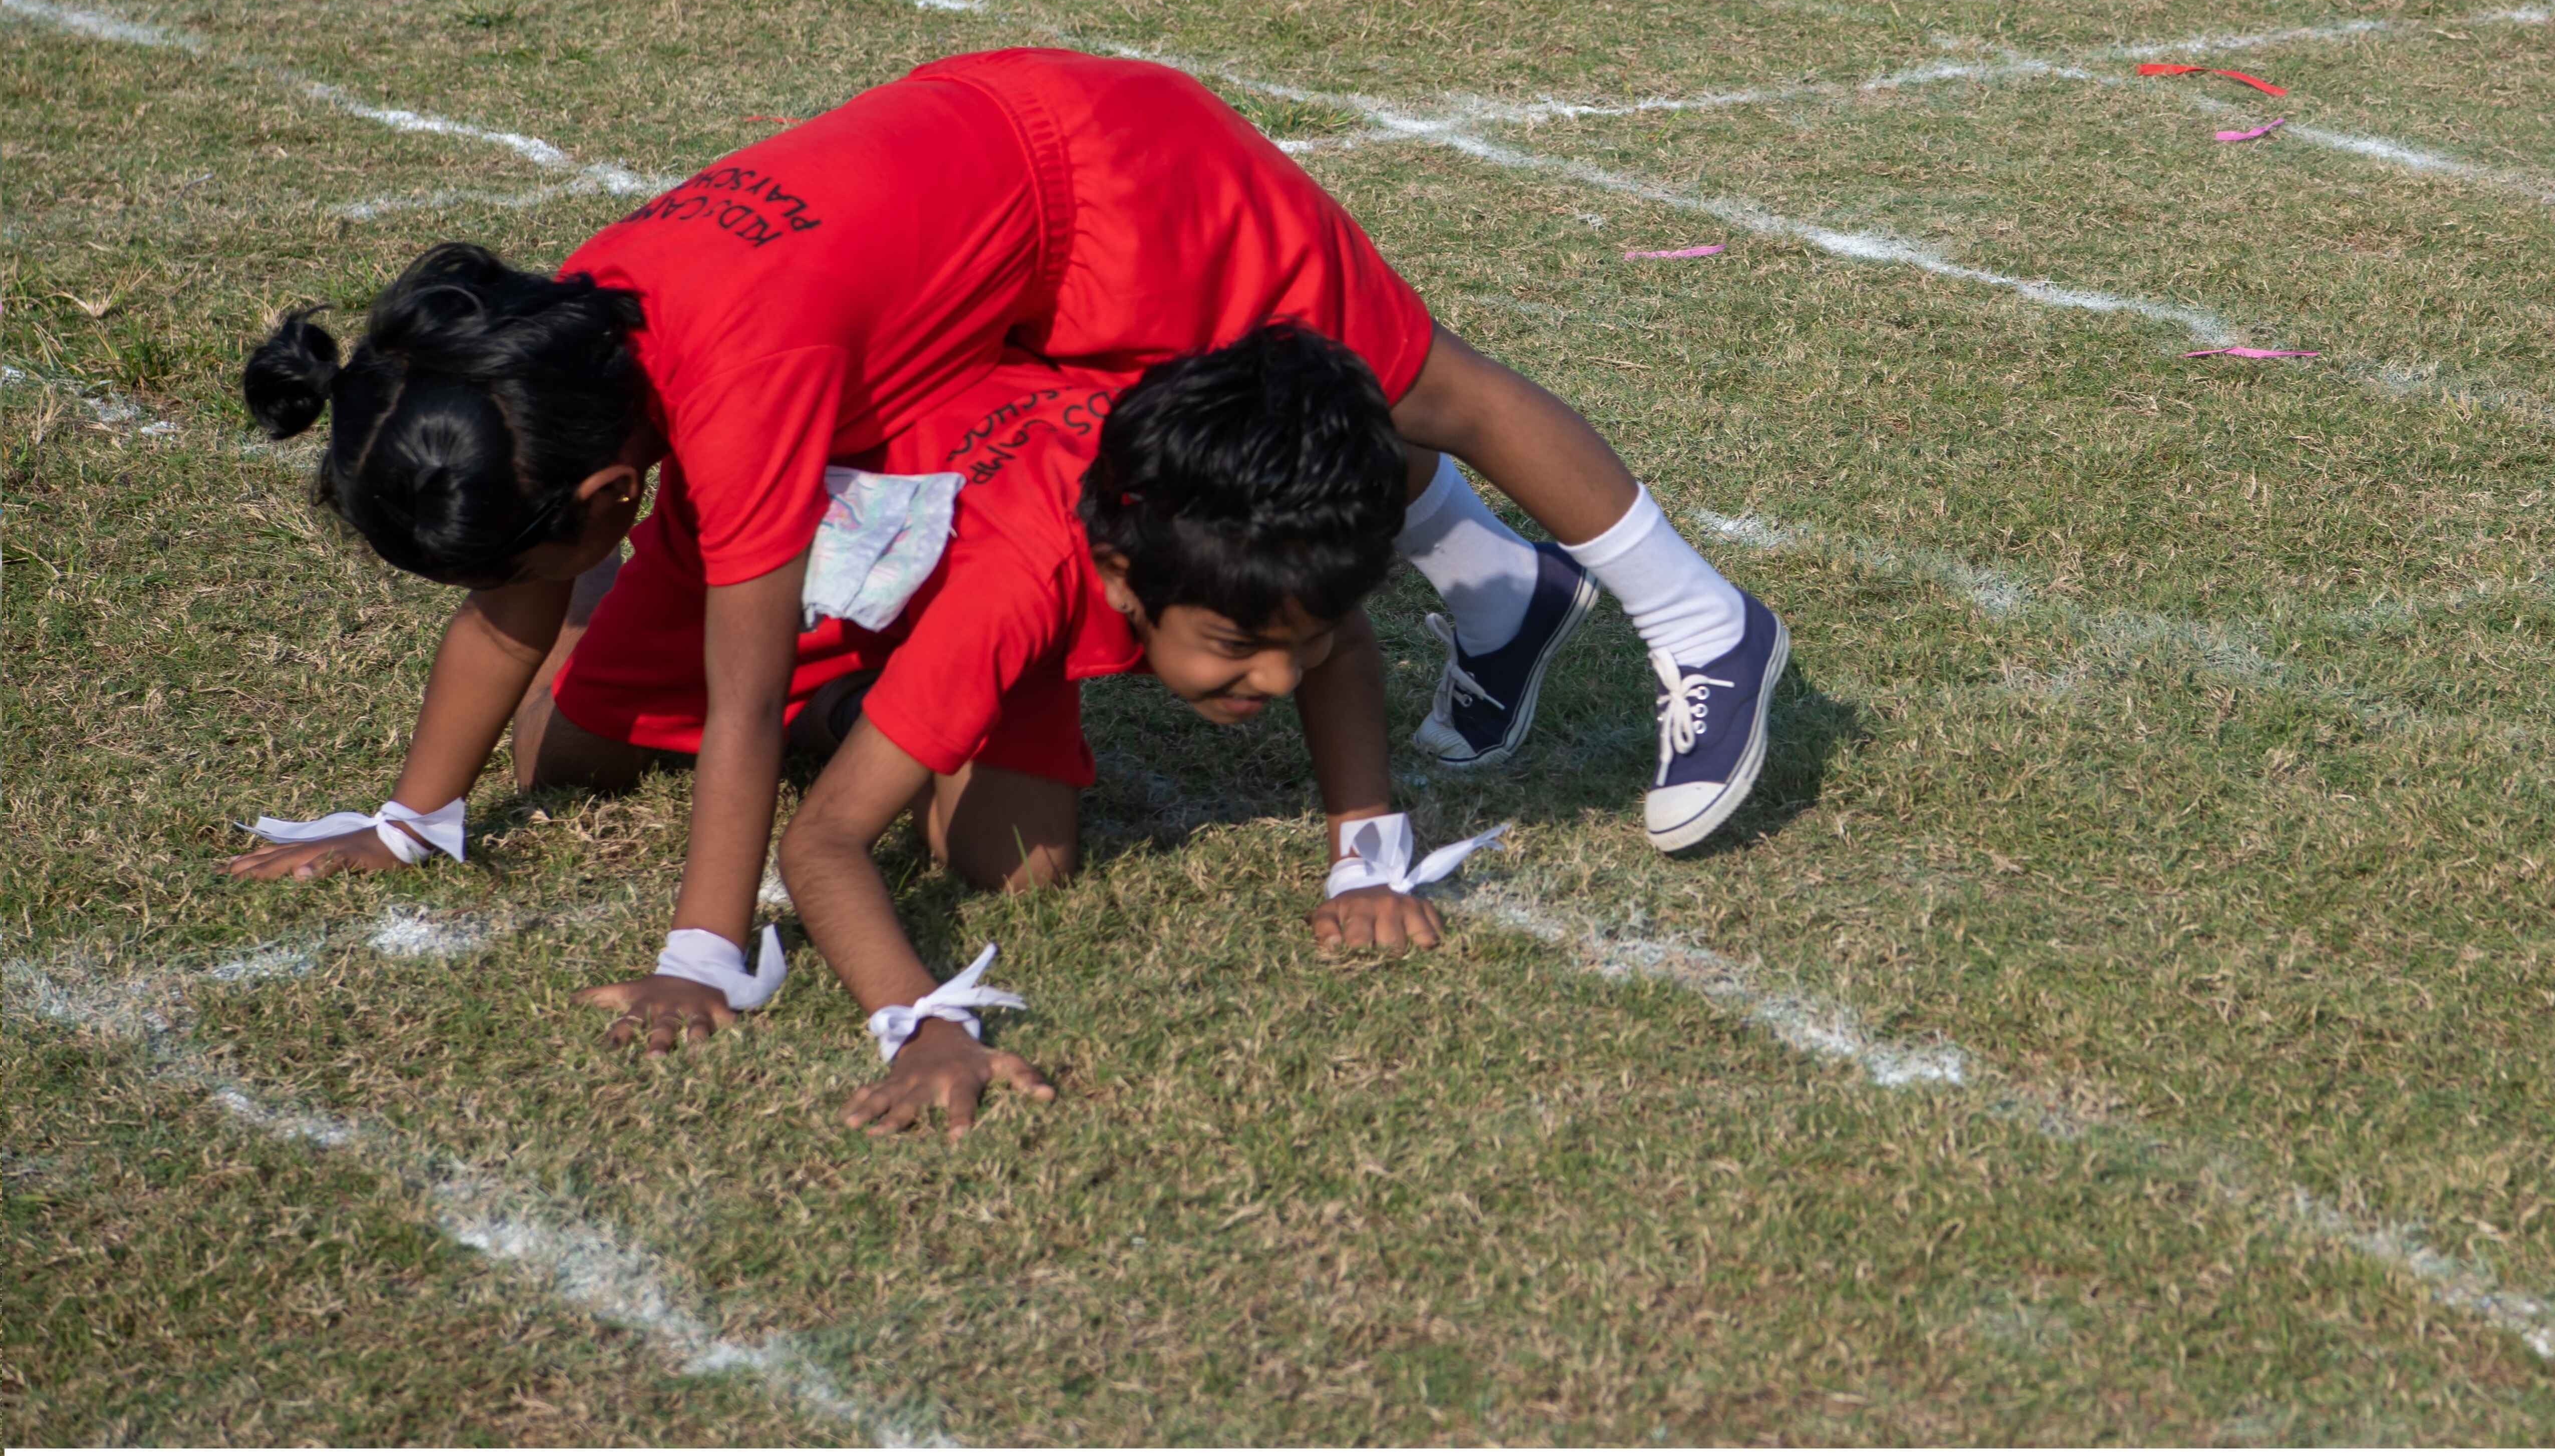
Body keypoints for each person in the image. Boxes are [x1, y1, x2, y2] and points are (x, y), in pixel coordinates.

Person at [231, 53, 1781, 1051]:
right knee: (1247, 474)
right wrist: (411, 816)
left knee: (1414, 383)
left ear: (615, 487)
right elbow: (534, 590)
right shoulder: (562, 351)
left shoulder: (737, 379)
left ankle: (1700, 619)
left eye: (553, 553)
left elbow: (749, 698)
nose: (537, 590)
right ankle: (1499, 584)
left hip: (1109, 178)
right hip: (1011, 269)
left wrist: (710, 952)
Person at [772, 329, 1478, 1138]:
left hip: (1015, 544)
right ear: (1119, 579)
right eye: (1239, 645)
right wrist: (926, 1025)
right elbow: (821, 840)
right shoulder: (1015, 588)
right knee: (1019, 865)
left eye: (1298, 642)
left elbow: (1344, 641)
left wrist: (1365, 863)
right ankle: (851, 704)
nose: (1283, 679)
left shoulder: (1242, 525)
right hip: (873, 577)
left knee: (1017, 859)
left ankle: (902, 709)